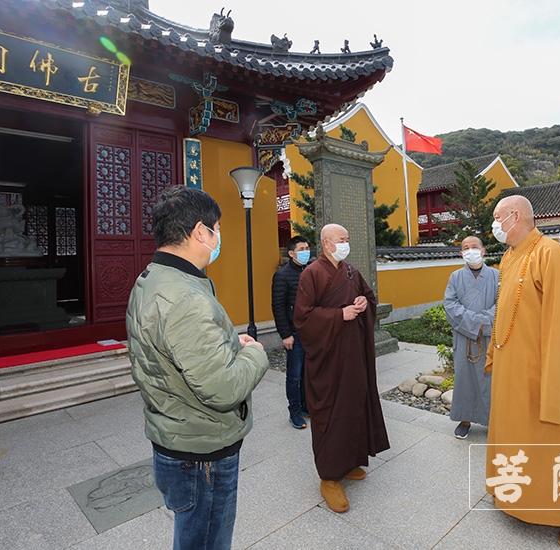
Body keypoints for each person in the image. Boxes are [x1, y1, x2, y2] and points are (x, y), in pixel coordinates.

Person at [126, 186, 269, 550]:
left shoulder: (155, 278)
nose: (219, 238)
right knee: (206, 541)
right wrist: (255, 353)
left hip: (176, 433)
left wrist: (228, 342)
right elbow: (223, 389)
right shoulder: (185, 297)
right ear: (200, 232)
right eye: (217, 229)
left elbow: (179, 348)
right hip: (202, 452)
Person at [484, 195, 560, 550]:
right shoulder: (509, 257)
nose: (494, 224)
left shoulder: (551, 253)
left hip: (540, 371)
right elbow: (505, 311)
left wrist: (554, 381)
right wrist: (494, 351)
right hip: (511, 369)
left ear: (515, 216)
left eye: (497, 217)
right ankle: (515, 495)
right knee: (516, 438)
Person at [293, 223, 390, 514]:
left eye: (347, 238)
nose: (346, 243)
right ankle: (329, 477)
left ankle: (349, 462)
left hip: (353, 354)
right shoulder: (312, 273)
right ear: (326, 243)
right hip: (328, 358)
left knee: (353, 406)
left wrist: (362, 302)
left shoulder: (351, 271)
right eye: (341, 239)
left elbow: (369, 298)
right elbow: (303, 318)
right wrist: (339, 315)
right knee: (331, 413)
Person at [444, 236, 498, 440]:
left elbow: (503, 302)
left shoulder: (496, 275)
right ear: (461, 254)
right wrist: (476, 323)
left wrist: (482, 322)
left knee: (491, 379)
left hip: (490, 336)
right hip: (464, 336)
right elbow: (450, 305)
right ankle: (465, 420)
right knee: (464, 378)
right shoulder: (455, 277)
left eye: (474, 247)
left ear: (483, 251)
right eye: (465, 248)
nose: (470, 250)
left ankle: (493, 420)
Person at [271, 235, 311, 429]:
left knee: (308, 373)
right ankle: (294, 411)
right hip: (294, 334)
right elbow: (278, 306)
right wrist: (285, 334)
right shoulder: (282, 275)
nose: (306, 252)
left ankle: (305, 406)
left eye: (307, 248)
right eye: (301, 249)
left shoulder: (311, 271)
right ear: (291, 253)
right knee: (294, 375)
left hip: (311, 332)